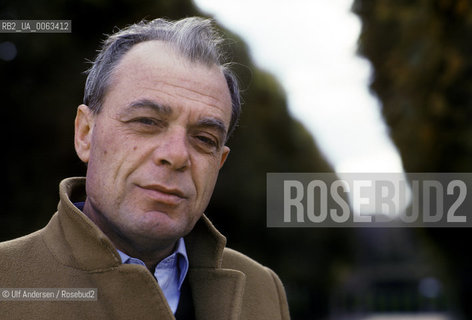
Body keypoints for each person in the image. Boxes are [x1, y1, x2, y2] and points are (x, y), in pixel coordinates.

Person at [0, 17, 290, 319]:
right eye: (147, 121)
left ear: (219, 163)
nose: (177, 156)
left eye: (204, 138)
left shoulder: (263, 291)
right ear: (85, 133)